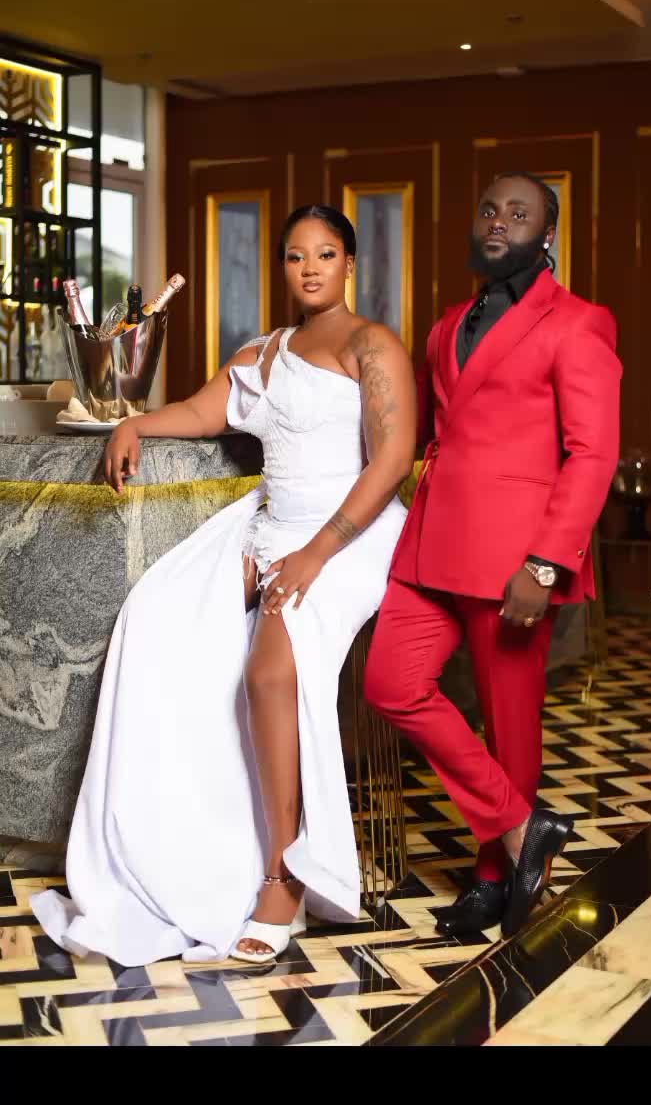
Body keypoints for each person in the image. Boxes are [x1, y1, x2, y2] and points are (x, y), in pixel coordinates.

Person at [31, 205, 416, 968]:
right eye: (296, 256)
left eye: (326, 254)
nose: (311, 269)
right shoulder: (263, 353)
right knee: (156, 614)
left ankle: (283, 877)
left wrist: (315, 554)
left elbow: (393, 459)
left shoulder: (372, 345)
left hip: (355, 530)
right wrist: (133, 425)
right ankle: (187, 836)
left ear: (349, 264)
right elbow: (204, 412)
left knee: (268, 670)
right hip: (269, 522)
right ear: (283, 268)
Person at [364, 173, 622, 940]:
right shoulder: (448, 325)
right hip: (429, 545)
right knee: (390, 683)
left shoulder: (578, 323)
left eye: (518, 212)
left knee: (510, 726)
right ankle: (521, 827)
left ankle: (493, 876)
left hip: (514, 560)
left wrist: (545, 564)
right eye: (488, 209)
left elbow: (593, 454)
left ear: (547, 233)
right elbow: (424, 431)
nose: (498, 221)